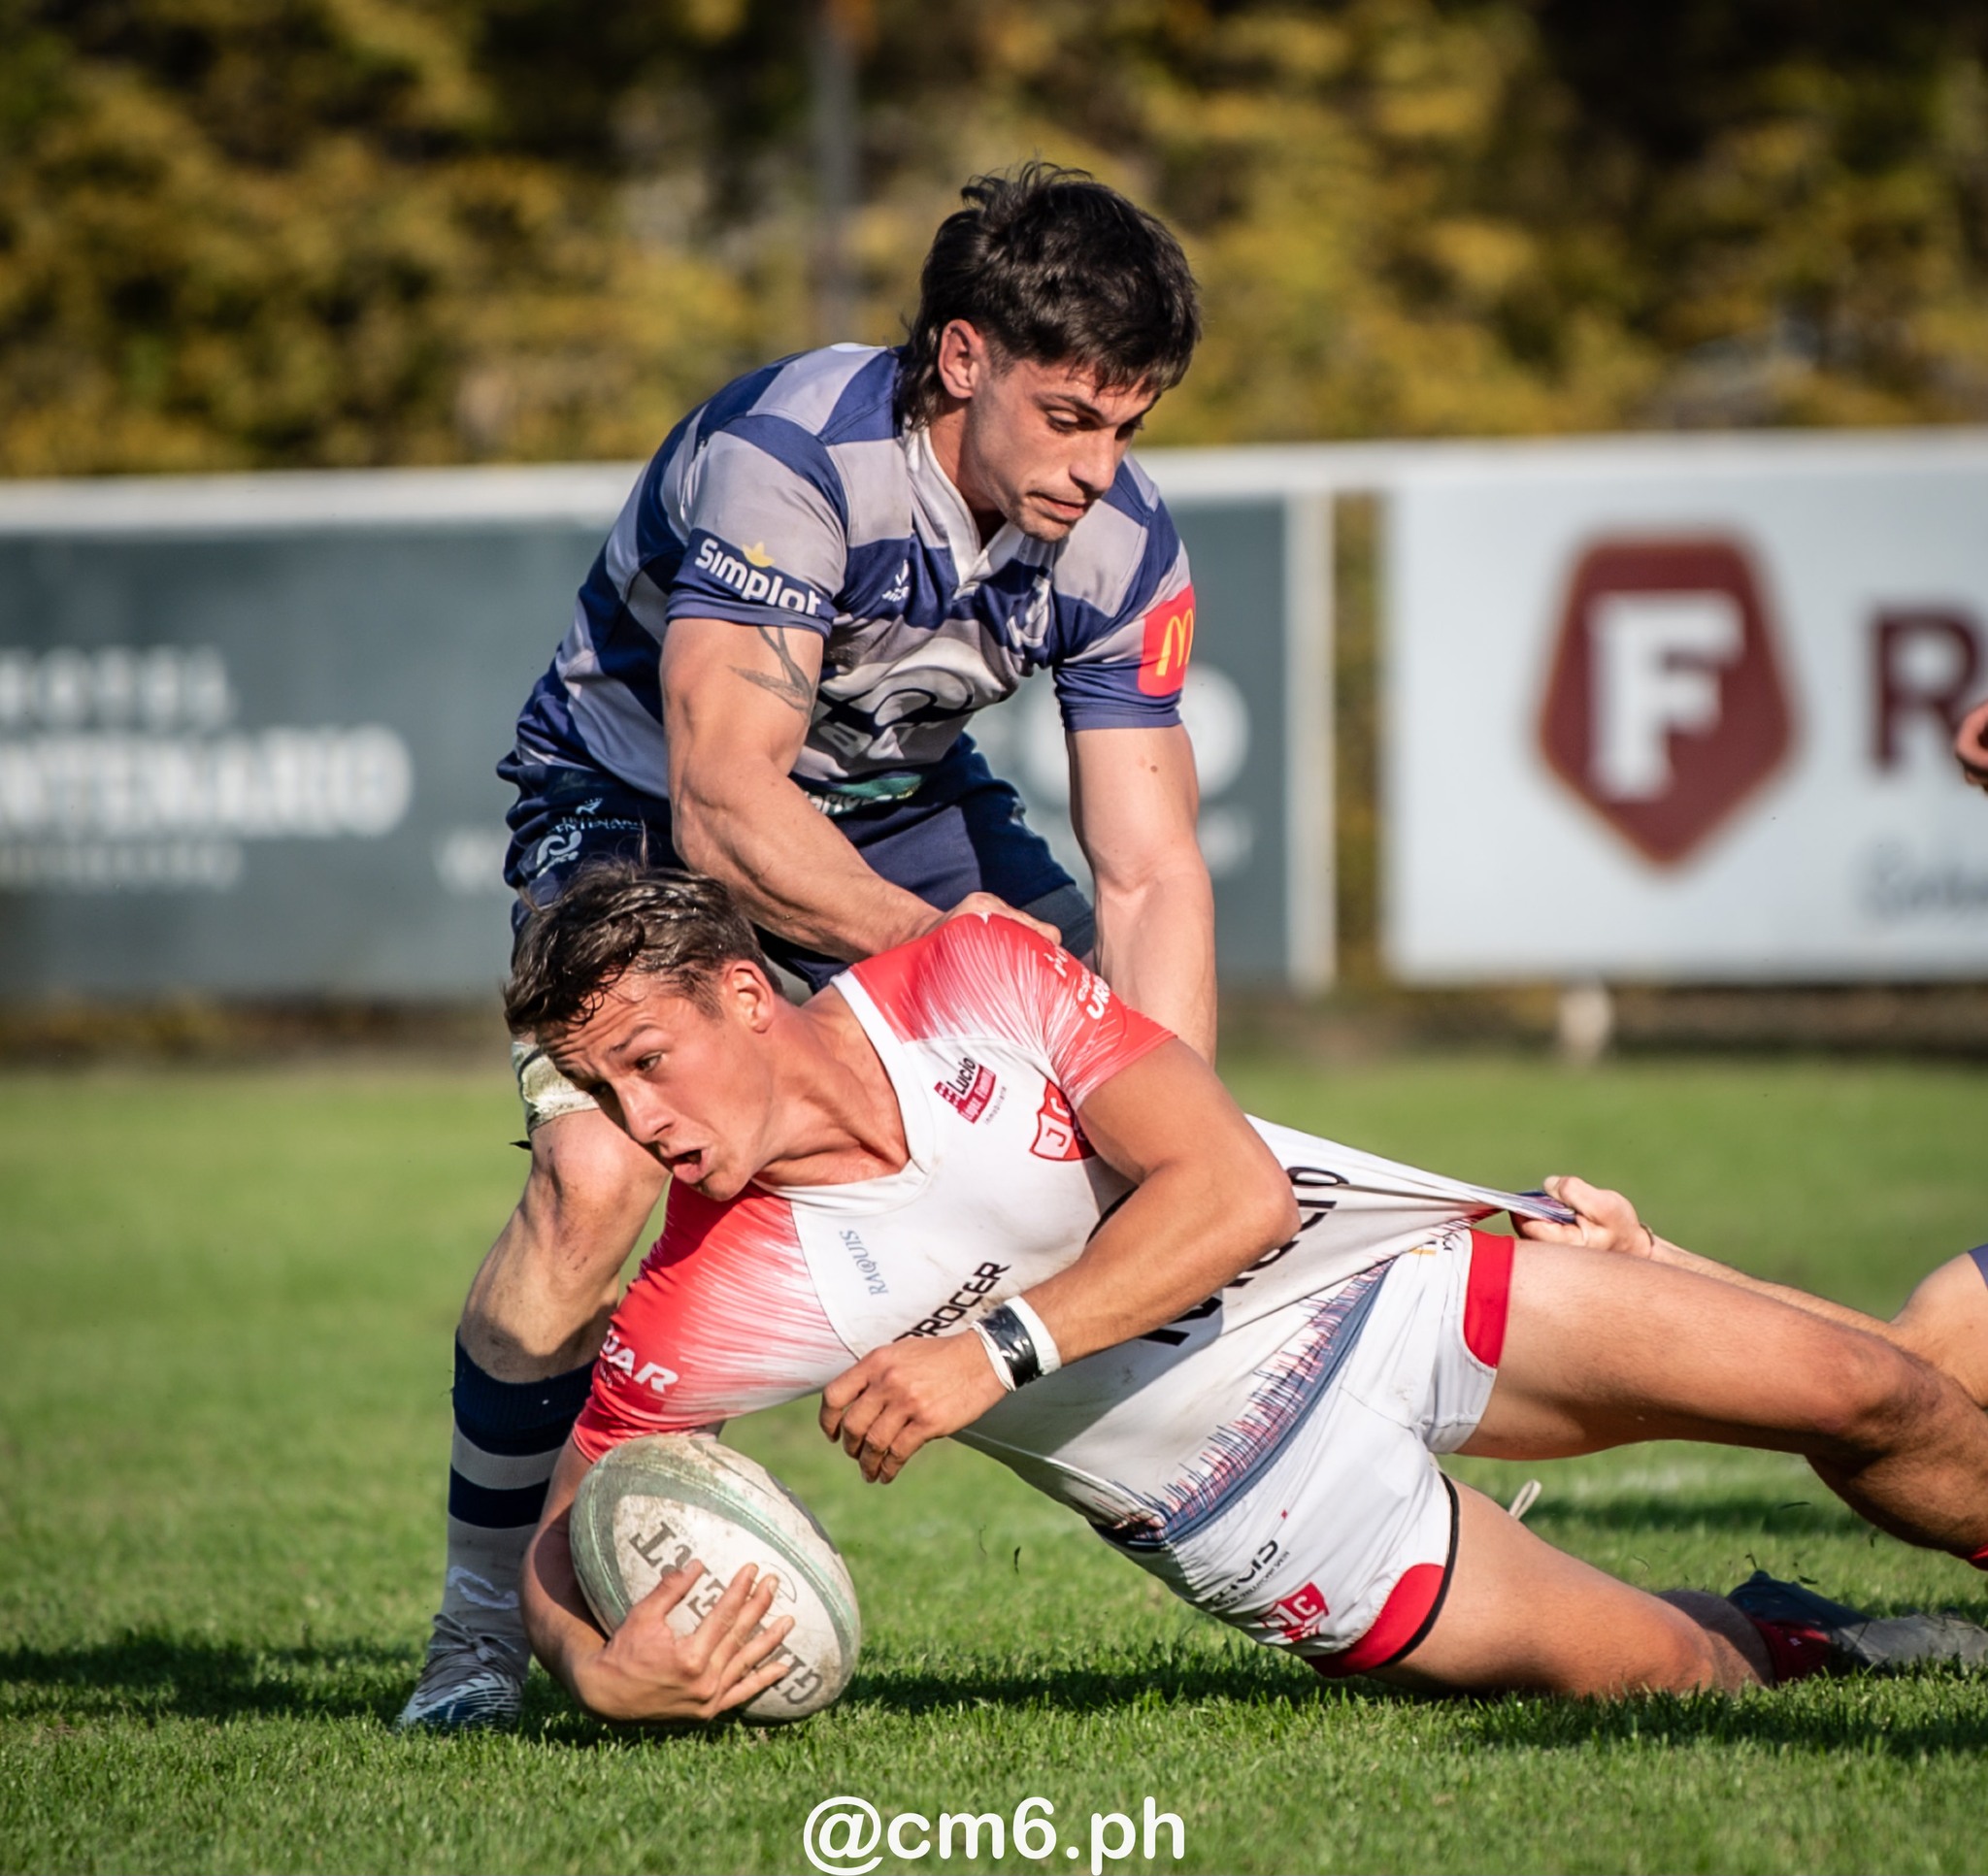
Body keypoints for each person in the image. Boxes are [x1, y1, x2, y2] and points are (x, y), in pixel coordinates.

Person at [398, 164, 1214, 1730]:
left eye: (1130, 426)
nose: (1101, 469)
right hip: (637, 806)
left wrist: (1175, 1139)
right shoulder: (797, 459)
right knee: (595, 1180)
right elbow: (723, 804)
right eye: (1069, 419)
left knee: (1146, 1116)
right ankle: (479, 1630)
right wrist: (943, 961)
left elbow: (1154, 868)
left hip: (902, 807)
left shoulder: (1122, 535)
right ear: (963, 356)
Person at [505, 866, 1988, 1722]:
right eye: (600, 1092)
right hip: (1262, 1506)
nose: (639, 1122)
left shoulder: (970, 977)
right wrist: (595, 1666)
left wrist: (989, 1353)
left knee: (1864, 1387)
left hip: (1365, 1288)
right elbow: (568, 1525)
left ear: (745, 996)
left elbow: (1235, 1190)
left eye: (648, 1062)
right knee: (1675, 1672)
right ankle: (1805, 1633)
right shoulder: (706, 1289)